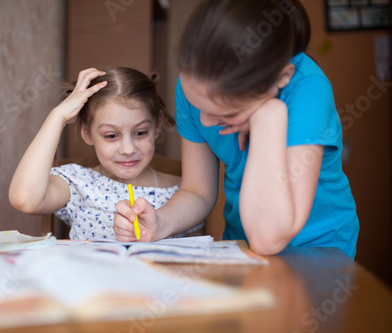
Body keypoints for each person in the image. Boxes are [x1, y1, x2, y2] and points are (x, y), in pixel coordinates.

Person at [114, 0, 359, 258]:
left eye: (228, 114)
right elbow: (198, 191)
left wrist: (269, 116)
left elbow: (268, 238)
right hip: (243, 246)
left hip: (318, 251)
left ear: (281, 79)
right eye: (199, 106)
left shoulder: (308, 91)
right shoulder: (195, 83)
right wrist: (160, 223)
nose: (206, 123)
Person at [9, 67, 203, 240]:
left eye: (140, 133)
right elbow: (24, 199)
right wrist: (58, 116)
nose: (128, 149)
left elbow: (197, 257)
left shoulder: (183, 194)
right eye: (111, 135)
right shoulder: (78, 183)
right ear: (86, 132)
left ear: (157, 125)